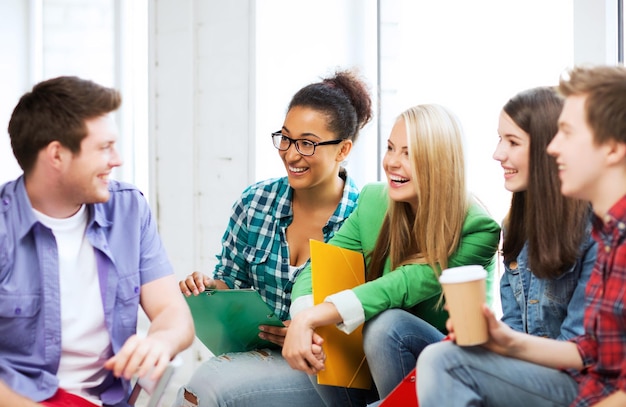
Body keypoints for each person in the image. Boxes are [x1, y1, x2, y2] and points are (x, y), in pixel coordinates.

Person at [416, 64, 626, 407]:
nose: (554, 147)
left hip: (573, 388)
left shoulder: (602, 236)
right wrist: (503, 340)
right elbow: (593, 351)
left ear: (613, 148)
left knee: (443, 362)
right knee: (432, 353)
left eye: (567, 134)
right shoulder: (609, 234)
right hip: (563, 381)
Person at [176, 69, 373, 407]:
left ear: (343, 150)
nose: (291, 154)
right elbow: (231, 283)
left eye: (307, 143)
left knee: (206, 386)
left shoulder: (363, 217)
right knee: (200, 387)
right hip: (256, 356)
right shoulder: (255, 202)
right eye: (285, 138)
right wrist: (209, 291)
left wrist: (308, 329)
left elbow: (373, 319)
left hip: (325, 372)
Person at [282, 103, 501, 402]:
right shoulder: (373, 202)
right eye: (390, 148)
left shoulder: (476, 228)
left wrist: (311, 318)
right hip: (376, 364)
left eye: (410, 154)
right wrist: (304, 316)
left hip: (450, 365)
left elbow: (402, 286)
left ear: (440, 163)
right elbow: (317, 269)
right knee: (331, 324)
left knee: (387, 325)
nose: (393, 162)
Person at [0, 76, 194, 407]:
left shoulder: (129, 210)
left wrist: (160, 341)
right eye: (104, 147)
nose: (116, 159)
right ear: (57, 155)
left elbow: (175, 315)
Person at [494, 86, 596, 341]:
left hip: (569, 373)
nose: (497, 154)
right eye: (500, 139)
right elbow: (514, 326)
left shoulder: (595, 230)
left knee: (446, 359)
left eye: (513, 142)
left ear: (549, 149)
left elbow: (577, 345)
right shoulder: (514, 225)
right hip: (527, 366)